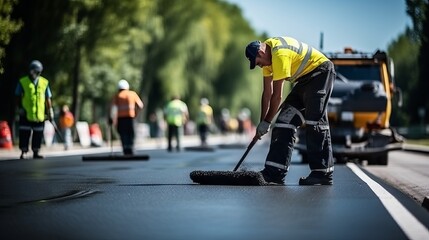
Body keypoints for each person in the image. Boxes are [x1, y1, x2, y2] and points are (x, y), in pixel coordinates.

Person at [245, 36, 336, 185]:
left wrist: (267, 121)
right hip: (304, 81)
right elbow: (267, 94)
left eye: (258, 64)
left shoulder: (279, 54)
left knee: (314, 121)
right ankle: (274, 173)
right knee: (284, 122)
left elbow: (277, 96)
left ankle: (322, 173)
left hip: (321, 73)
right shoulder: (267, 61)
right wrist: (262, 122)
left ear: (260, 54)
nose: (260, 67)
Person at [15, 60, 54, 159]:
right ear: (31, 71)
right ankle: (23, 151)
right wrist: (19, 108)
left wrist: (50, 111)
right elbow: (17, 96)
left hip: (39, 115)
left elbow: (47, 98)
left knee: (38, 133)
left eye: (38, 72)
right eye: (35, 71)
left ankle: (36, 152)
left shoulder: (44, 82)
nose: (36, 73)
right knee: (24, 133)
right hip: (25, 113)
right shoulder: (23, 82)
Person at [110, 79, 144, 155]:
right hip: (131, 118)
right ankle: (131, 148)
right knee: (131, 133)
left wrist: (111, 118)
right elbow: (140, 106)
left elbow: (113, 108)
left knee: (123, 133)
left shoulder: (117, 96)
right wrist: (136, 114)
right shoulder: (133, 94)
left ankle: (125, 149)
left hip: (121, 118)